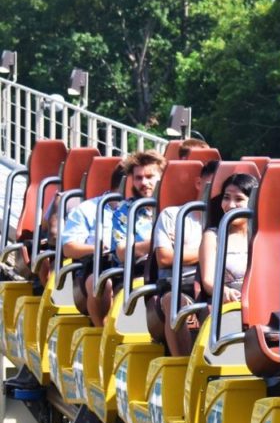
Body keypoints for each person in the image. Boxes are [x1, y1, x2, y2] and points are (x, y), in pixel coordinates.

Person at [88, 150, 166, 327]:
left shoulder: (176, 210)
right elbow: (123, 252)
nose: (144, 183)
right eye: (138, 178)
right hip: (134, 273)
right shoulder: (125, 211)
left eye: (149, 176)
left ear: (162, 176)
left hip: (170, 273)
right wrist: (159, 245)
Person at [153, 160, 218, 353]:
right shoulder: (174, 215)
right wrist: (209, 253)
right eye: (210, 184)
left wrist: (185, 253)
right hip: (180, 283)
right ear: (199, 183)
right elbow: (165, 258)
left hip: (217, 282)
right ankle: (181, 365)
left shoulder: (229, 220)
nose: (214, 191)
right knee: (175, 302)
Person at [61, 165, 125, 316]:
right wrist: (97, 247)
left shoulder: (146, 211)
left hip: (134, 265)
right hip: (97, 264)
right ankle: (102, 331)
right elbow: (69, 248)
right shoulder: (88, 209)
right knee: (102, 283)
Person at [198, 173, 259, 304]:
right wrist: (223, 292)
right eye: (226, 198)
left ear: (254, 202)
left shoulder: (262, 238)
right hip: (226, 304)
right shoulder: (213, 237)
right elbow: (208, 281)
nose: (231, 205)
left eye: (238, 199)